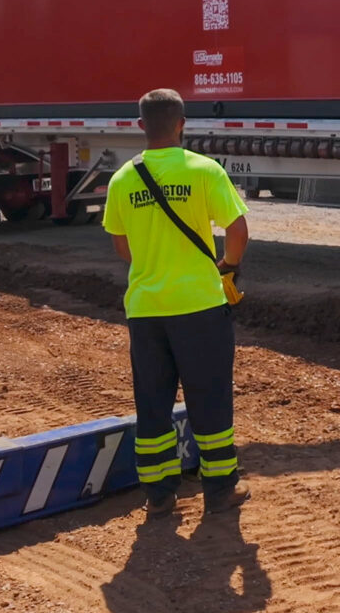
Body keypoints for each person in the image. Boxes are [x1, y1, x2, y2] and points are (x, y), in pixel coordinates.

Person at [103, 88, 253, 517]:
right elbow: (238, 229)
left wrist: (152, 264)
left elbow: (120, 244)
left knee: (152, 402)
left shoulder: (122, 180)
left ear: (140, 126)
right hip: (200, 307)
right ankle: (220, 490)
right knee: (210, 399)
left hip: (146, 310)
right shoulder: (204, 171)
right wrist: (227, 266)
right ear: (182, 124)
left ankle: (158, 496)